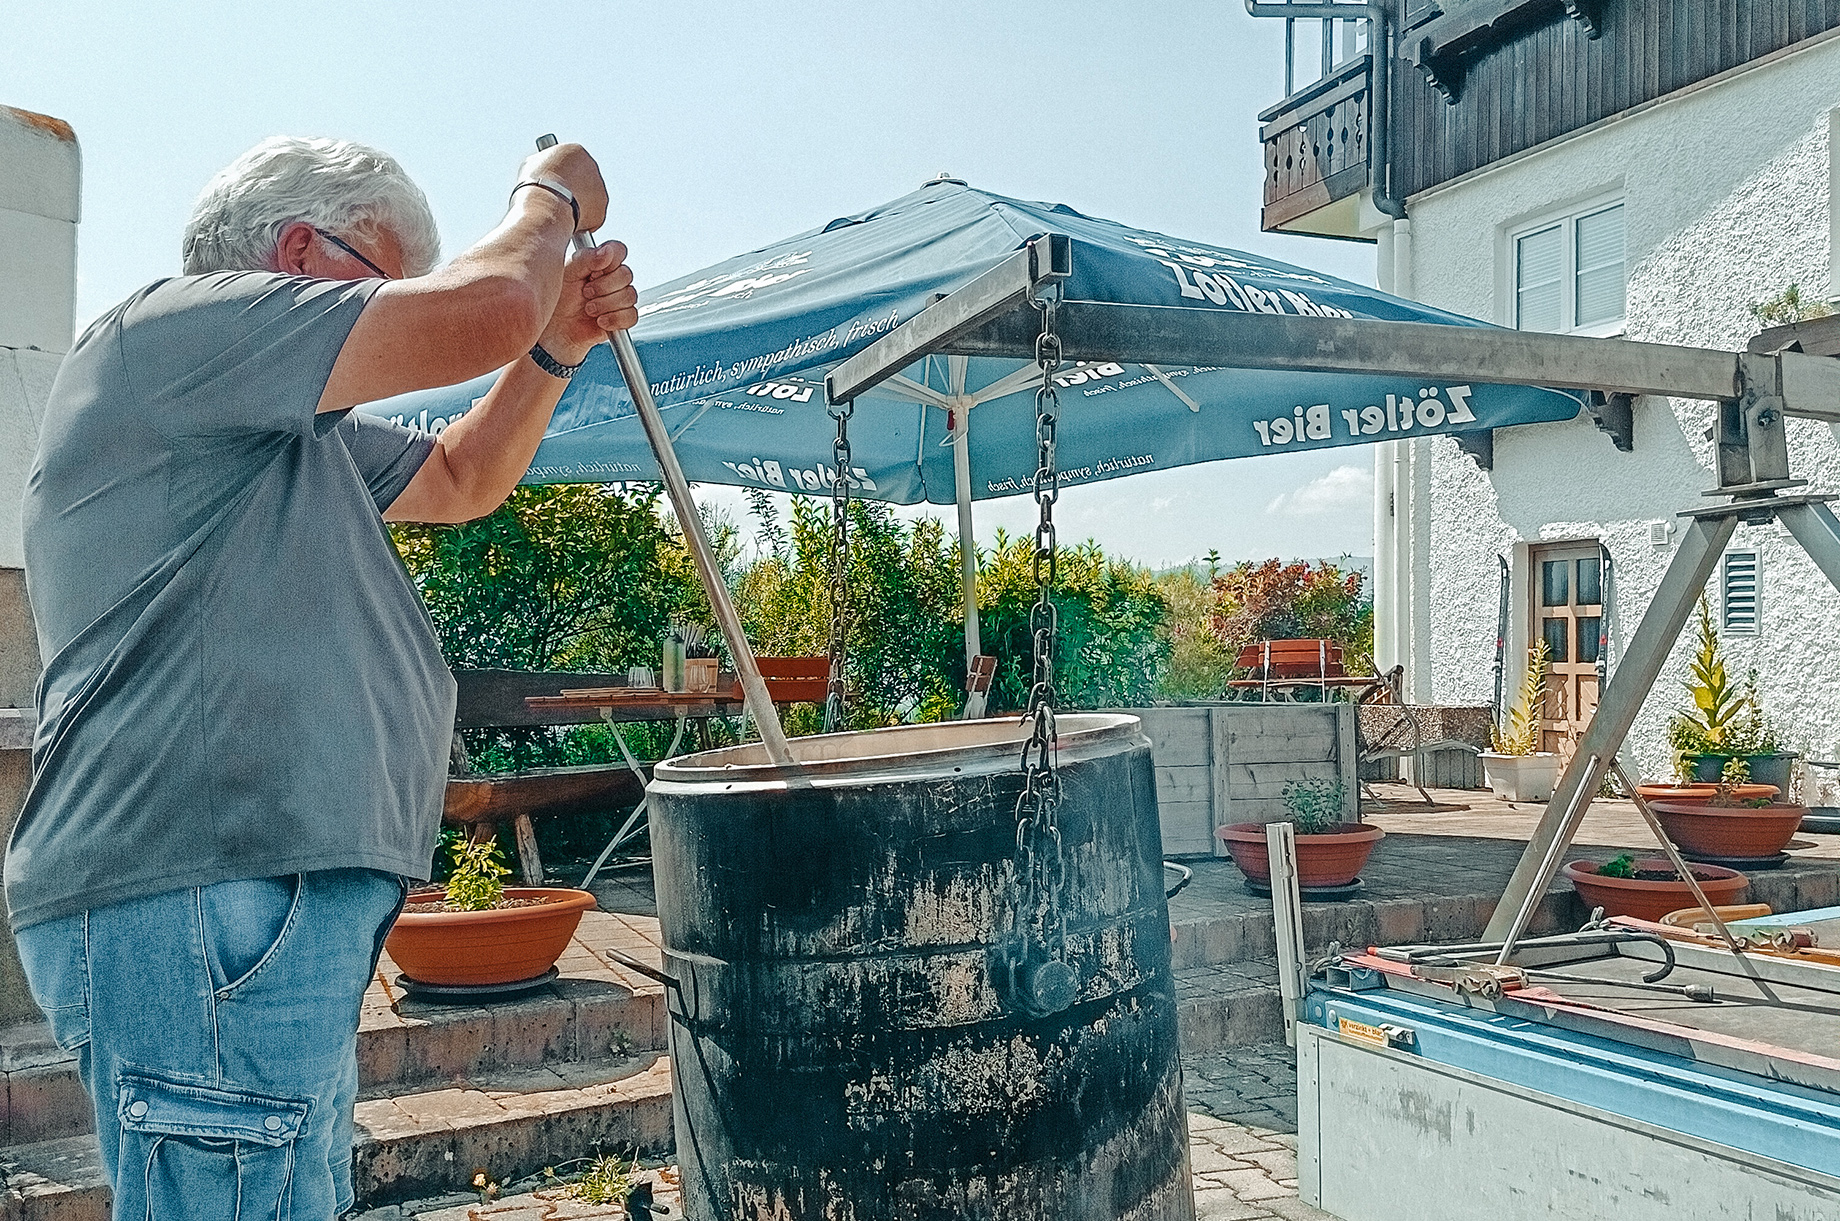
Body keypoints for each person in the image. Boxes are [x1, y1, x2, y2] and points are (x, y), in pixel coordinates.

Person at [7, 134, 637, 1220]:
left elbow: (461, 477)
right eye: (386, 284)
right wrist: (551, 193)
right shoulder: (177, 331)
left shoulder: (284, 425)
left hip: (241, 899)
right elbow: (487, 307)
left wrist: (554, 347)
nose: (395, 316)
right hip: (200, 892)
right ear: (299, 253)